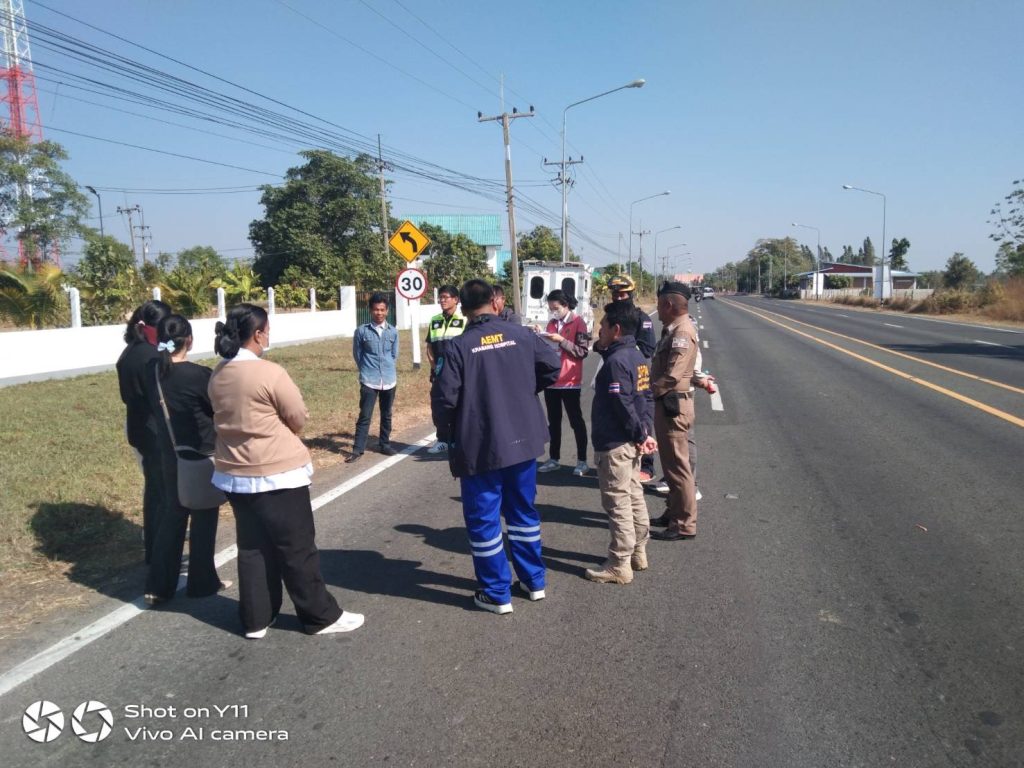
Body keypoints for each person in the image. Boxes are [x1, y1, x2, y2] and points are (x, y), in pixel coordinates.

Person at [209, 303, 363, 638]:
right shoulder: (269, 372)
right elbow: (297, 416)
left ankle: (256, 619)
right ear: (258, 334)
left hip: (234, 473)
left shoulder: (218, 373)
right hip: (276, 473)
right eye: (267, 331)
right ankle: (320, 616)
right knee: (297, 547)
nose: (268, 336)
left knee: (252, 548)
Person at [431, 279, 560, 614]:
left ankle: (496, 592)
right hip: (523, 442)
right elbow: (552, 366)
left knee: (484, 519)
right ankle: (534, 581)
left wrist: (447, 434)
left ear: (463, 308)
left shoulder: (458, 347)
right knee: (523, 512)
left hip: (480, 446)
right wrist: (523, 390)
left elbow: (445, 400)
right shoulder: (523, 335)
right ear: (494, 301)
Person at [143, 314, 228, 605]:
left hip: (170, 451)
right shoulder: (198, 375)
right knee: (204, 516)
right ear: (189, 340)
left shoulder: (152, 370)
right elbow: (216, 408)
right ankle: (203, 581)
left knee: (173, 514)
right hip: (200, 452)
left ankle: (158, 586)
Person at [585, 302, 657, 585]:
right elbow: (646, 398)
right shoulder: (636, 356)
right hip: (631, 440)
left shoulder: (616, 362)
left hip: (616, 442)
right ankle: (639, 552)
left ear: (616, 329)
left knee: (618, 503)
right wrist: (645, 432)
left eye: (602, 326)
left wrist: (640, 434)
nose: (598, 330)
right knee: (634, 495)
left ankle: (619, 563)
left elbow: (622, 403)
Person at [648, 282, 708, 541]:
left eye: (659, 304)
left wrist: (647, 393)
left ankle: (683, 524)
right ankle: (673, 512)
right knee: (670, 465)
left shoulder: (682, 331)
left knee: (678, 468)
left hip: (673, 405)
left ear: (668, 305)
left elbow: (673, 375)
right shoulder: (673, 329)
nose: (657, 309)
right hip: (668, 404)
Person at [116, 299, 172, 564]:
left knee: (154, 492)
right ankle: (160, 554)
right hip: (156, 431)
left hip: (139, 427)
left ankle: (154, 547)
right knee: (163, 495)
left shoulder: (130, 352)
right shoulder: (151, 356)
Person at [605, 275, 661, 485]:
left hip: (637, 374)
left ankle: (646, 464)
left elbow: (647, 349)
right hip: (614, 371)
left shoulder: (641, 318)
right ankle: (619, 459)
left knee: (639, 415)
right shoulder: (610, 317)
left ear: (630, 294)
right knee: (615, 415)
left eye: (623, 294)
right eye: (615, 294)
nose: (618, 297)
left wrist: (625, 350)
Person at [535, 289, 591, 477]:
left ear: (566, 305)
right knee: (554, 422)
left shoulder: (579, 322)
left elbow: (582, 351)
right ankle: (554, 459)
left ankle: (582, 461)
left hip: (570, 381)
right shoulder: (552, 323)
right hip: (552, 381)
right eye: (551, 309)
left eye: (556, 308)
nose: (553, 312)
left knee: (576, 421)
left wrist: (561, 340)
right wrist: (540, 334)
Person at [347, 292, 399, 463]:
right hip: (369, 379)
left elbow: (394, 355)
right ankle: (357, 449)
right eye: (376, 309)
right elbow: (357, 354)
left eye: (382, 310)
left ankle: (384, 444)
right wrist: (365, 370)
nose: (379, 313)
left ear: (387, 311)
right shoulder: (361, 331)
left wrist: (387, 369)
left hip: (389, 379)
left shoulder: (393, 332)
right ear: (370, 310)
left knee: (387, 414)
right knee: (365, 415)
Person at [425, 285, 466, 454]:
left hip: (459, 373)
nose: (442, 300)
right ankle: (442, 440)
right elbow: (429, 346)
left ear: (456, 300)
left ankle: (458, 440)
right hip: (439, 372)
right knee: (439, 406)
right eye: (440, 297)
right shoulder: (435, 320)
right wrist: (434, 366)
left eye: (446, 297)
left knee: (460, 406)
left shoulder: (464, 319)